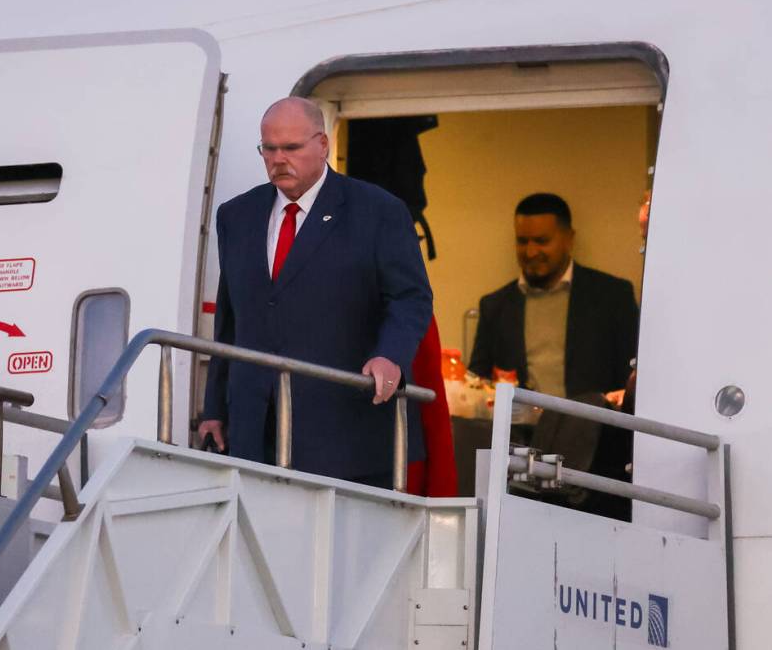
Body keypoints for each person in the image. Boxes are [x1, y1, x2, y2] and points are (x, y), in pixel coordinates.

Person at [198, 97, 433, 487]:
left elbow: (411, 298)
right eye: (268, 149)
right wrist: (214, 409)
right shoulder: (236, 215)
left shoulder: (378, 211)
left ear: (322, 144)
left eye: (291, 148)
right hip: (254, 430)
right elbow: (231, 320)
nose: (278, 159)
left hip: (345, 432)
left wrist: (390, 356)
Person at [468, 193, 638, 518]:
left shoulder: (612, 297)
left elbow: (629, 385)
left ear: (569, 239)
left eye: (542, 240)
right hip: (520, 460)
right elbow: (480, 381)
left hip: (598, 463)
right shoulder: (496, 305)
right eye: (522, 241)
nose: (531, 252)